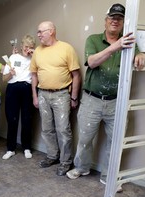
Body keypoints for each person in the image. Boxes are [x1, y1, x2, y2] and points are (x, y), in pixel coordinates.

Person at [66, 3, 145, 183]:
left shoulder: (130, 41)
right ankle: (81, 167)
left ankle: (108, 176)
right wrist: (115, 46)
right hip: (91, 99)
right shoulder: (93, 40)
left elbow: (139, 55)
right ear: (105, 21)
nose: (115, 21)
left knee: (115, 142)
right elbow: (92, 62)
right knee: (85, 138)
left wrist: (141, 56)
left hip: (116, 101)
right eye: (112, 17)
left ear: (123, 22)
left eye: (119, 18)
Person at [30, 21, 81, 176]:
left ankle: (66, 162)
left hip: (61, 94)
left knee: (63, 130)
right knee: (47, 129)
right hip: (42, 94)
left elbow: (76, 75)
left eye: (41, 32)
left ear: (51, 31)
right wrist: (34, 95)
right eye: (38, 32)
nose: (38, 35)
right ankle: (52, 156)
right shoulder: (38, 51)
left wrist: (73, 97)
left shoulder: (66, 48)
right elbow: (34, 75)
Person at [2, 35, 36, 160]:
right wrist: (10, 74)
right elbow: (4, 79)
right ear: (21, 46)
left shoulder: (35, 58)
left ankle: (27, 147)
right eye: (26, 47)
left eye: (31, 47)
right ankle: (10, 149)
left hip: (27, 88)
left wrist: (34, 56)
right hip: (13, 89)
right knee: (12, 119)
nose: (27, 49)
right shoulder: (13, 57)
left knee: (27, 119)